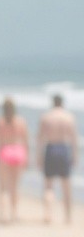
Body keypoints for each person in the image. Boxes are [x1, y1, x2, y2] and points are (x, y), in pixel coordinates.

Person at [37, 94, 78, 224]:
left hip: (50, 148)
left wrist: (39, 157)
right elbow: (73, 140)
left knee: (49, 186)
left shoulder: (46, 117)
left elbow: (40, 138)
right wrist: (75, 155)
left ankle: (48, 214)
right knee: (66, 185)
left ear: (53, 103)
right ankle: (68, 216)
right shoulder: (68, 117)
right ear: (62, 103)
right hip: (63, 149)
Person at [0, 97, 28, 224]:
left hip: (5, 151)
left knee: (3, 187)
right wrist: (27, 157)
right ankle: (14, 214)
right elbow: (26, 141)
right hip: (18, 151)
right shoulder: (21, 121)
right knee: (15, 187)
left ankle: (2, 215)